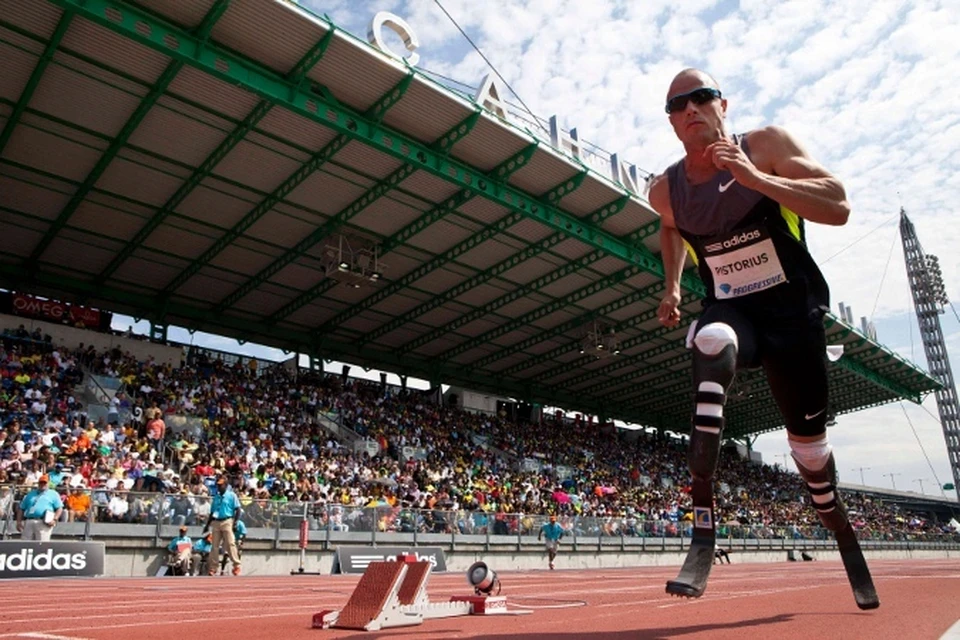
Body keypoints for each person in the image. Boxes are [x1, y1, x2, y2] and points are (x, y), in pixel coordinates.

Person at [648, 68, 878, 609]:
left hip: (793, 318)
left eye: (700, 97)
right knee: (709, 343)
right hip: (735, 312)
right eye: (677, 105)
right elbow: (668, 224)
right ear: (673, 124)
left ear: (722, 104)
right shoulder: (666, 188)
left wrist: (755, 178)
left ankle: (837, 523)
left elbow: (838, 204)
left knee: (810, 450)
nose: (690, 109)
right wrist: (673, 287)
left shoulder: (768, 145)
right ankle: (702, 528)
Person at [204, 476, 242, 576]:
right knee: (214, 546)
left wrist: (235, 522)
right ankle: (213, 567)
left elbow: (237, 509)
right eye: (218, 485)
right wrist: (207, 525)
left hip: (227, 520)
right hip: (216, 522)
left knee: (230, 543)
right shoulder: (216, 497)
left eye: (221, 485)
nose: (219, 487)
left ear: (226, 485)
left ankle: (236, 565)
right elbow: (212, 512)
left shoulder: (231, 495)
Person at [16, 475, 63, 541]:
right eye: (41, 482)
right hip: (29, 521)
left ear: (48, 483)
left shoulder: (53, 494)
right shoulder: (30, 494)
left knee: (42, 544)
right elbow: (21, 508)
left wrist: (54, 519)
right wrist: (18, 522)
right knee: (25, 544)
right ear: (38, 483)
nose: (43, 484)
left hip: (43, 522)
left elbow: (59, 508)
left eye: (45, 482)